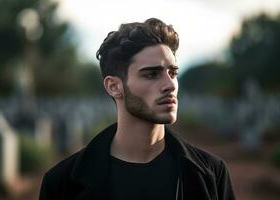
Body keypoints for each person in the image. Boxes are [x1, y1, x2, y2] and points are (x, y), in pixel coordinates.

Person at [39, 18, 236, 200]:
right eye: (151, 74)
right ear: (114, 86)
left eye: (173, 73)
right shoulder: (62, 184)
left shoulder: (211, 174)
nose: (170, 85)